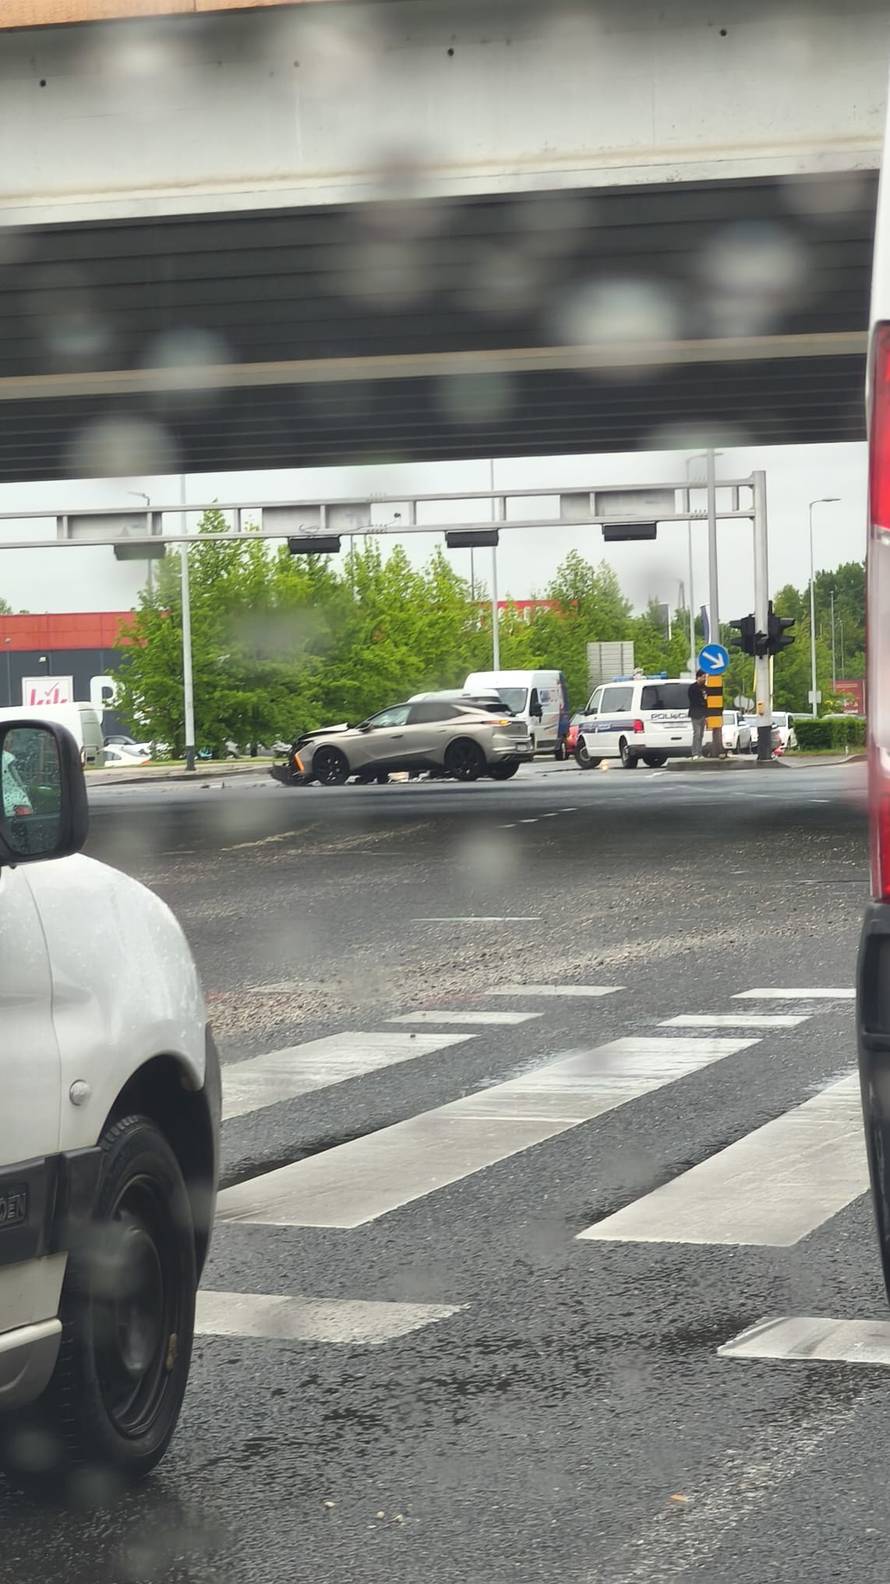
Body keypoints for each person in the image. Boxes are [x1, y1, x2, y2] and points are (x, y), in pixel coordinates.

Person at [688, 670, 708, 759]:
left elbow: (707, 699)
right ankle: (695, 753)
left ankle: (700, 752)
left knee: (701, 734)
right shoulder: (692, 687)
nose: (705, 679)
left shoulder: (705, 688)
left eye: (705, 677)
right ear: (698, 677)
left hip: (703, 713)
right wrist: (702, 702)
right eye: (703, 677)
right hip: (695, 714)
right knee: (697, 733)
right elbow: (694, 700)